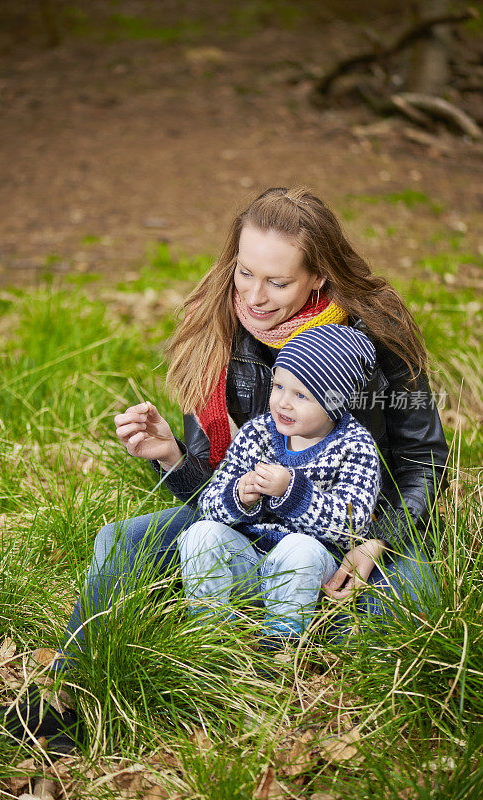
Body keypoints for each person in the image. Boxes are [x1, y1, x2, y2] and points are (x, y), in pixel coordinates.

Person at [60, 186, 449, 659]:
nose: (255, 297)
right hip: (251, 524)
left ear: (319, 277)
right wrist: (171, 456)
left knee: (415, 603)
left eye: (278, 282)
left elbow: (422, 458)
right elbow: (213, 495)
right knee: (121, 543)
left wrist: (376, 543)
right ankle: (71, 684)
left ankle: (278, 636)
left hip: (358, 527)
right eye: (245, 272)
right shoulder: (215, 327)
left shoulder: (376, 326)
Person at [178, 324, 381, 646]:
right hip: (247, 558)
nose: (283, 403)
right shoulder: (258, 432)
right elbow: (210, 503)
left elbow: (351, 525)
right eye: (278, 386)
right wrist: (239, 496)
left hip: (306, 570)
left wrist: (293, 492)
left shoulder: (354, 447)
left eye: (301, 395)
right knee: (201, 534)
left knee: (299, 549)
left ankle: (282, 644)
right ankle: (211, 634)